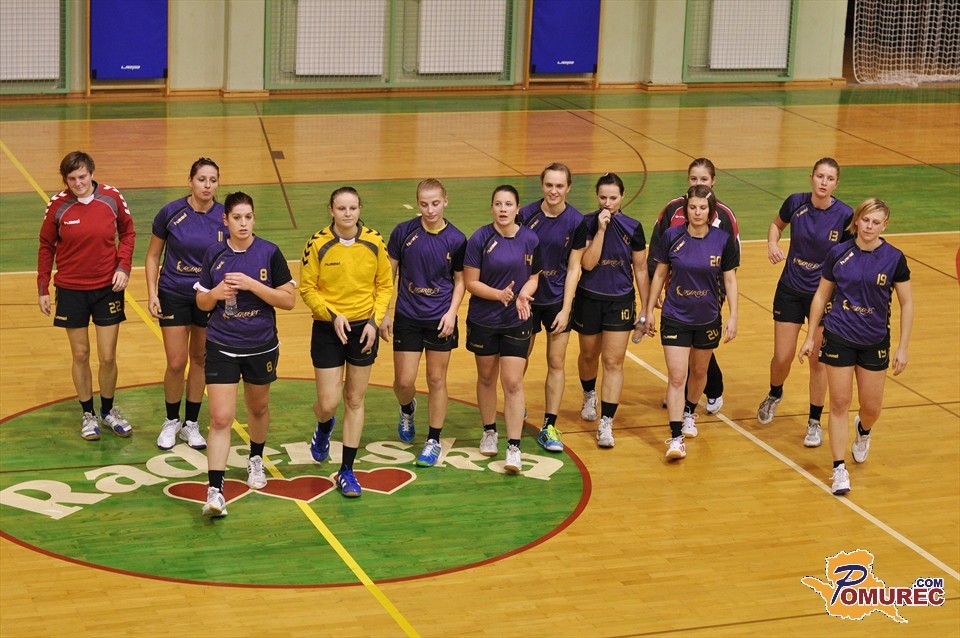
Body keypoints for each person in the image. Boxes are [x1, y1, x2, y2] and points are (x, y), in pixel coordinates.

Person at [798, 198, 912, 495]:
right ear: (857, 221)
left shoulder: (894, 258)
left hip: (874, 340)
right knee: (839, 404)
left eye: (876, 222)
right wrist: (810, 336)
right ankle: (838, 468)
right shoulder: (839, 254)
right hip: (839, 335)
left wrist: (903, 347)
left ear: (884, 225)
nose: (869, 227)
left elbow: (907, 303)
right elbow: (821, 296)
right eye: (866, 220)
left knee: (872, 407)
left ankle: (864, 429)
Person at [194, 192, 296, 517]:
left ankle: (255, 458)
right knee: (220, 418)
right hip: (222, 346)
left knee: (258, 407)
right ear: (225, 220)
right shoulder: (214, 254)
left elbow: (288, 300)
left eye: (248, 217)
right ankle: (215, 491)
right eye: (236, 217)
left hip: (261, 346)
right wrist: (215, 293)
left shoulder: (269, 252)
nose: (243, 223)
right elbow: (202, 303)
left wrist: (253, 285)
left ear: (254, 218)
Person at [300, 187, 393, 498]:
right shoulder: (317, 244)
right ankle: (324, 426)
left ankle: (347, 470)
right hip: (328, 327)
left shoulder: (375, 242)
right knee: (328, 403)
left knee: (354, 399)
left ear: (360, 208)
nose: (348, 213)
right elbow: (307, 288)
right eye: (341, 208)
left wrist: (374, 321)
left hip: (363, 328)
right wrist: (332, 314)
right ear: (331, 210)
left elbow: (385, 285)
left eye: (353, 208)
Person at [37, 151, 136, 441]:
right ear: (65, 180)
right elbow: (46, 245)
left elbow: (128, 234)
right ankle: (88, 414)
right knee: (80, 354)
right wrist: (43, 287)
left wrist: (123, 267)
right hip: (71, 290)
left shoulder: (111, 198)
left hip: (107, 289)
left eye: (82, 176)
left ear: (91, 173)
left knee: (108, 356)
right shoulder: (58, 205)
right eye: (72, 179)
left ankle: (108, 411)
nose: (78, 183)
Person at [758, 158, 854, 449]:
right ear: (811, 177)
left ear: (836, 183)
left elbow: (850, 254)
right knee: (783, 356)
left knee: (817, 361)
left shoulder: (845, 215)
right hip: (790, 289)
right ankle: (775, 393)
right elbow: (776, 225)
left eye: (830, 178)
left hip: (823, 295)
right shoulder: (795, 203)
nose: (824, 182)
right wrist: (772, 244)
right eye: (820, 176)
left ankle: (814, 421)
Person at [645, 185, 739, 460]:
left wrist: (733, 315)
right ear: (686, 210)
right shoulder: (672, 236)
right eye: (693, 207)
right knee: (677, 376)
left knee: (699, 372)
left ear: (711, 211)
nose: (697, 212)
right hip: (675, 316)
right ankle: (676, 439)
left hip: (707, 317)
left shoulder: (723, 240)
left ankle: (689, 412)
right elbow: (659, 274)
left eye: (702, 208)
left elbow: (730, 280)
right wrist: (648, 310)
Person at [380, 179, 467, 467]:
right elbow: (388, 275)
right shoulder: (403, 232)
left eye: (435, 203)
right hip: (407, 316)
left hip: (440, 318)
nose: (430, 210)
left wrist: (452, 313)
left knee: (436, 379)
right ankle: (407, 408)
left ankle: (433, 440)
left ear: (446, 201)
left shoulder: (456, 238)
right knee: (404, 381)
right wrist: (384, 312)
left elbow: (460, 281)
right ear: (418, 203)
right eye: (424, 204)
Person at [146, 157, 225, 451]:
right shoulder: (171, 213)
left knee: (200, 359)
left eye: (212, 180)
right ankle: (171, 420)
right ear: (190, 181)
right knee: (177, 362)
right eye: (202, 179)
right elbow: (153, 256)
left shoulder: (225, 216)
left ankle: (191, 423)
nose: (207, 185)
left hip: (208, 296)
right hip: (173, 292)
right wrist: (152, 293)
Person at [463, 185, 540, 474]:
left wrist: (522, 295)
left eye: (509, 204)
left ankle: (514, 447)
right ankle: (489, 431)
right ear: (492, 207)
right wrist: (499, 295)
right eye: (498, 204)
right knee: (486, 378)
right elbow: (471, 282)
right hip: (484, 320)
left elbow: (534, 277)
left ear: (518, 208)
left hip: (517, 320)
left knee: (513, 383)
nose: (503, 209)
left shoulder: (530, 239)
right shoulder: (480, 239)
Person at [571, 173, 650, 448]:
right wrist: (601, 231)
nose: (608, 203)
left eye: (613, 198)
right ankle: (589, 394)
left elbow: (641, 269)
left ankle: (606, 422)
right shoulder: (586, 223)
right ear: (597, 197)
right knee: (589, 355)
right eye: (603, 197)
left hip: (620, 301)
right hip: (589, 298)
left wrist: (646, 308)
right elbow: (588, 264)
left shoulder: (633, 227)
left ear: (622, 197)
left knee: (614, 362)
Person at [518, 163, 584, 453]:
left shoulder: (577, 221)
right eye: (549, 185)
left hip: (557, 300)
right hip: (527, 300)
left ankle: (549, 425)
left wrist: (566, 308)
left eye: (559, 186)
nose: (554, 191)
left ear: (568, 187)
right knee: (519, 359)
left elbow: (574, 267)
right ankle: (516, 407)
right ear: (541, 185)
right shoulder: (526, 215)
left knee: (556, 362)